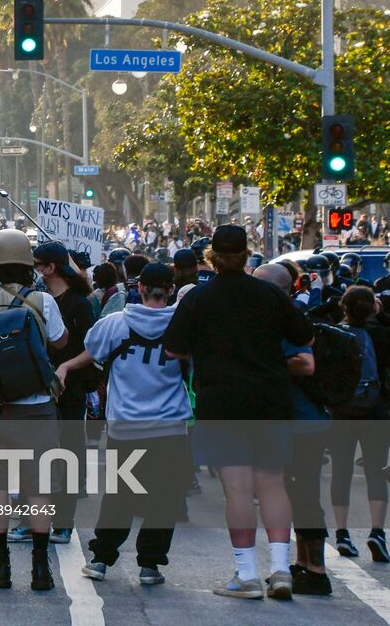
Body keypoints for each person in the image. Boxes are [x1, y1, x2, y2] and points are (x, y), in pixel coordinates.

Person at [165, 224, 314, 600]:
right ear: (248, 254)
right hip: (271, 398)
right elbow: (305, 336)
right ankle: (281, 569)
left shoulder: (198, 298)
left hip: (222, 400)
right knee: (273, 484)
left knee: (238, 490)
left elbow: (173, 350)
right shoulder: (269, 293)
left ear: (211, 256)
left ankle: (247, 574)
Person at [58, 263, 190, 586]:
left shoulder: (115, 324)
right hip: (170, 426)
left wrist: (65, 366)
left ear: (139, 288)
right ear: (171, 290)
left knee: (120, 494)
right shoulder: (182, 325)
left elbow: (90, 351)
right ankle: (150, 565)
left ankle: (102, 558)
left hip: (125, 426)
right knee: (164, 497)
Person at [0, 228, 69, 592]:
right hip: (36, 405)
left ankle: (0, 567)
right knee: (39, 486)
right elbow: (60, 341)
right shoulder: (42, 300)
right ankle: (40, 569)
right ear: (27, 264)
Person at [253, 262, 333, 595]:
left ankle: (315, 569)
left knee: (302, 494)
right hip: (291, 421)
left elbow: (305, 363)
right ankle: (301, 565)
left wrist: (264, 360)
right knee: (292, 492)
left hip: (302, 423)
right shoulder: (277, 315)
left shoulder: (284, 319)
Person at [28, 242, 97, 545]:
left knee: (67, 452)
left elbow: (92, 349)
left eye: (38, 265)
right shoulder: (37, 300)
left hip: (70, 389)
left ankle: (64, 521)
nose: (35, 271)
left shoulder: (79, 303)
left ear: (50, 267)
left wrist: (66, 366)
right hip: (38, 388)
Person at [328, 285, 390, 562]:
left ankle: (342, 532)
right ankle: (377, 531)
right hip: (376, 410)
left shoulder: (335, 335)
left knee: (340, 471)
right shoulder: (383, 335)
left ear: (344, 307)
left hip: (342, 411)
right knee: (375, 471)